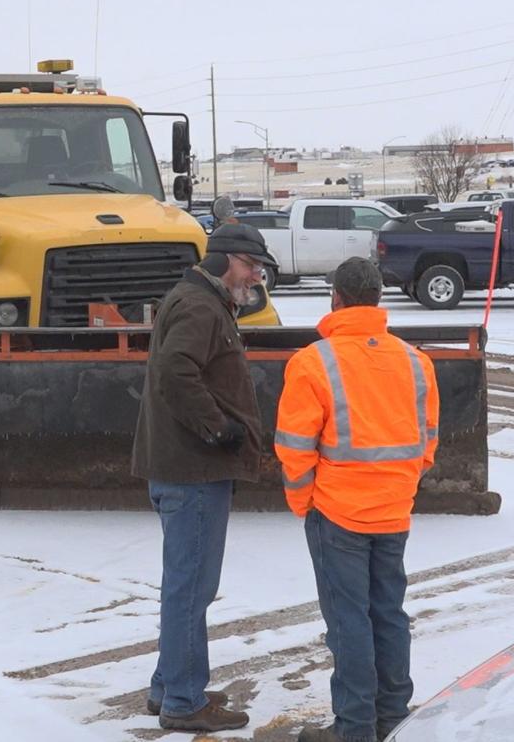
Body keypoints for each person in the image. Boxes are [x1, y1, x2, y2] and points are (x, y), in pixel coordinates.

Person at [274, 257, 440, 742]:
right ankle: (392, 718)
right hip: (393, 512)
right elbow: (427, 441)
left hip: (337, 513)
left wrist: (304, 501)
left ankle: (354, 728)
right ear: (379, 298)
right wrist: (400, 487)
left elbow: (294, 446)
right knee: (388, 613)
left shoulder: (313, 361)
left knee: (349, 621)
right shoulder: (416, 361)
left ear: (336, 299)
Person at [131, 223, 278, 733]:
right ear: (223, 262)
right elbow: (176, 370)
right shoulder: (199, 306)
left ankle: (168, 686)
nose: (256, 275)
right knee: (192, 589)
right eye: (250, 264)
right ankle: (184, 702)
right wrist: (218, 429)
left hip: (186, 468)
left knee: (185, 585)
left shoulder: (199, 299)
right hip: (193, 471)